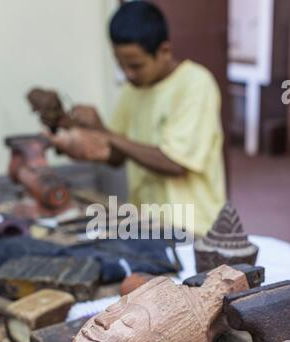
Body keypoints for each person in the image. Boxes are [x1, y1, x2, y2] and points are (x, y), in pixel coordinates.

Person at [49, 1, 226, 236]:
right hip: (147, 224)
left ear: (164, 51)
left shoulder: (195, 84)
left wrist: (105, 134)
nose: (127, 74)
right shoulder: (132, 90)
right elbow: (118, 155)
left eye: (135, 65)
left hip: (194, 228)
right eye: (120, 65)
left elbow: (175, 163)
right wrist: (78, 141)